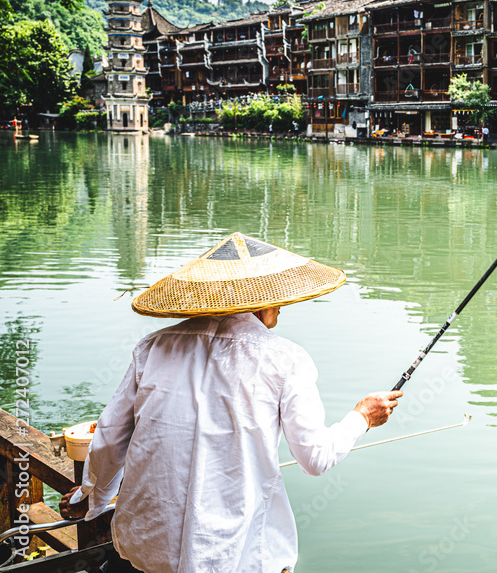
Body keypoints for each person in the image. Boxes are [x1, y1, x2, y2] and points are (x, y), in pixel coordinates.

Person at [59, 232, 402, 573]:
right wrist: (362, 417)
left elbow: (109, 439)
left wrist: (91, 498)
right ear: (256, 299)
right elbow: (315, 457)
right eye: (274, 294)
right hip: (233, 555)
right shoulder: (285, 359)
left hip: (145, 548)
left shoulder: (153, 347)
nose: (281, 303)